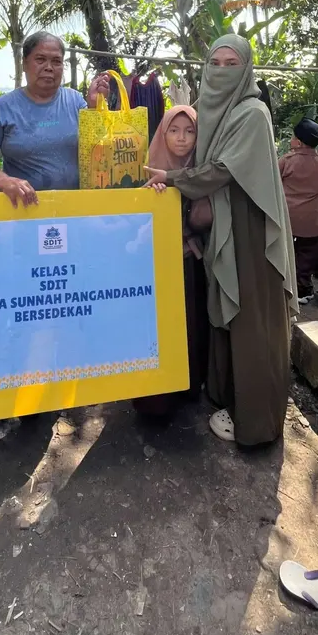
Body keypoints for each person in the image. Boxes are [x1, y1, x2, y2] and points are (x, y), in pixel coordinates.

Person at [145, 35, 296, 447]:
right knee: (228, 314)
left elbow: (220, 171)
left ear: (247, 70)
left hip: (250, 230)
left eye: (233, 64)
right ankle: (229, 397)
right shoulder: (213, 113)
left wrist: (170, 178)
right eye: (216, 62)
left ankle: (255, 421)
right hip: (224, 226)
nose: (223, 71)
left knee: (251, 320)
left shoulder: (252, 113)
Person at [0, 32, 109, 203]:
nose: (49, 67)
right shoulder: (3, 108)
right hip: (25, 208)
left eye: (56, 61)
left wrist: (95, 107)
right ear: (24, 64)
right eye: (40, 59)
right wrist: (3, 181)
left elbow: (99, 148)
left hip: (75, 207)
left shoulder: (75, 101)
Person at [135, 106, 208, 417]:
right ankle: (156, 400)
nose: (182, 138)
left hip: (190, 260)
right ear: (163, 134)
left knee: (190, 325)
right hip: (155, 266)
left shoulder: (201, 170)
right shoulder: (148, 168)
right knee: (158, 330)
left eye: (190, 131)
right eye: (174, 131)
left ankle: (189, 387)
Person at [279, 119, 318, 299]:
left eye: (293, 137)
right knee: (306, 256)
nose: (291, 140)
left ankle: (282, 288)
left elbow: (273, 182)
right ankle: (303, 289)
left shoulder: (286, 161)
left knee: (283, 253)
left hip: (287, 217)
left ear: (299, 142)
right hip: (311, 220)